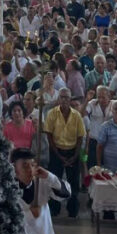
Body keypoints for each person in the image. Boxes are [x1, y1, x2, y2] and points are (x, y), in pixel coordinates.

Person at [43, 88, 84, 217]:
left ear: (70, 99)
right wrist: (59, 155)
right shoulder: (52, 114)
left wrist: (75, 156)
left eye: (66, 97)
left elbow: (80, 137)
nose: (64, 100)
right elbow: (49, 135)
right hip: (56, 151)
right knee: (55, 181)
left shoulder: (76, 115)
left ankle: (72, 210)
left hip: (73, 151)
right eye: (62, 97)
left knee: (73, 182)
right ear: (58, 99)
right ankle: (54, 209)